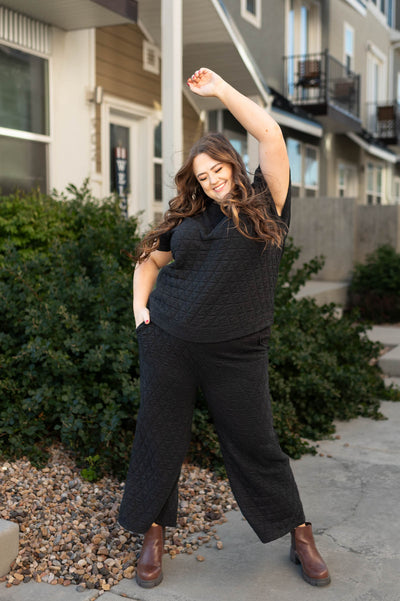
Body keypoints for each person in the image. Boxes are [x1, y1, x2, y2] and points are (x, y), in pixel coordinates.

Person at [118, 68, 330, 589]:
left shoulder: (266, 207)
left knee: (256, 442)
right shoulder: (189, 222)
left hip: (237, 352)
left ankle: (299, 535)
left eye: (218, 171)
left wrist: (218, 91)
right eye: (203, 177)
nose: (212, 182)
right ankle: (152, 534)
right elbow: (147, 261)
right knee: (158, 438)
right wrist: (140, 311)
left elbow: (271, 135)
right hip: (170, 344)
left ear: (233, 166)